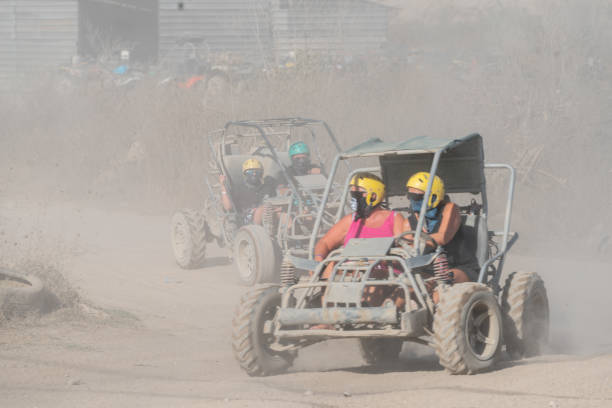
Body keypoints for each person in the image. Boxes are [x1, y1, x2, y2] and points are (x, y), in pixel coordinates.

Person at [313, 172, 405, 284]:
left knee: (373, 274)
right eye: (352, 194)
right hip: (353, 271)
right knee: (332, 265)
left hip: (383, 272)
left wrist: (379, 260)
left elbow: (402, 251)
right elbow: (324, 243)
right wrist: (318, 258)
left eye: (358, 194)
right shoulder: (350, 220)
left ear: (373, 196)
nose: (354, 198)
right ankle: (325, 300)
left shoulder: (394, 218)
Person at [403, 171, 473, 289]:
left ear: (433, 196)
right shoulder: (408, 222)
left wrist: (414, 240)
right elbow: (405, 248)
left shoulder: (450, 209)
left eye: (417, 197)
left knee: (439, 290)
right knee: (403, 293)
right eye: (410, 196)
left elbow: (442, 238)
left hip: (457, 267)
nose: (413, 201)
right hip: (427, 271)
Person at [219, 158, 278, 225]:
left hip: (269, 218)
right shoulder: (238, 189)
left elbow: (275, 203)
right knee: (263, 208)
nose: (254, 174)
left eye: (257, 171)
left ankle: (289, 230)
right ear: (245, 174)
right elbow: (227, 207)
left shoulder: (267, 189)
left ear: (261, 173)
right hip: (247, 221)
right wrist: (223, 186)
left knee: (281, 213)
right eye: (250, 172)